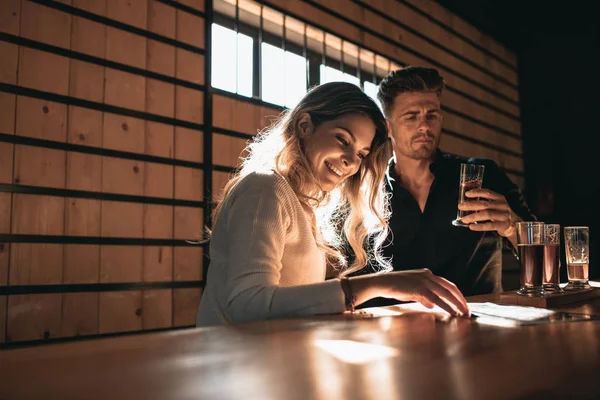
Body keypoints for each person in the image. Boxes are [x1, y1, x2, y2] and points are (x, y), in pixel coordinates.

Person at [196, 82, 470, 327]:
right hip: (237, 370)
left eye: (361, 153)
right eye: (342, 139)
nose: (351, 161)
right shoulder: (265, 188)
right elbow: (247, 306)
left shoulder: (305, 205)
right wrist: (380, 284)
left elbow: (288, 306)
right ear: (305, 126)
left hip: (274, 363)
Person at [369, 66, 536, 297]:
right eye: (411, 116)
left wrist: (513, 227)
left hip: (481, 324)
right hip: (400, 326)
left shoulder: (484, 175)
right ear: (388, 127)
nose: (425, 126)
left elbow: (545, 263)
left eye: (432, 115)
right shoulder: (369, 194)